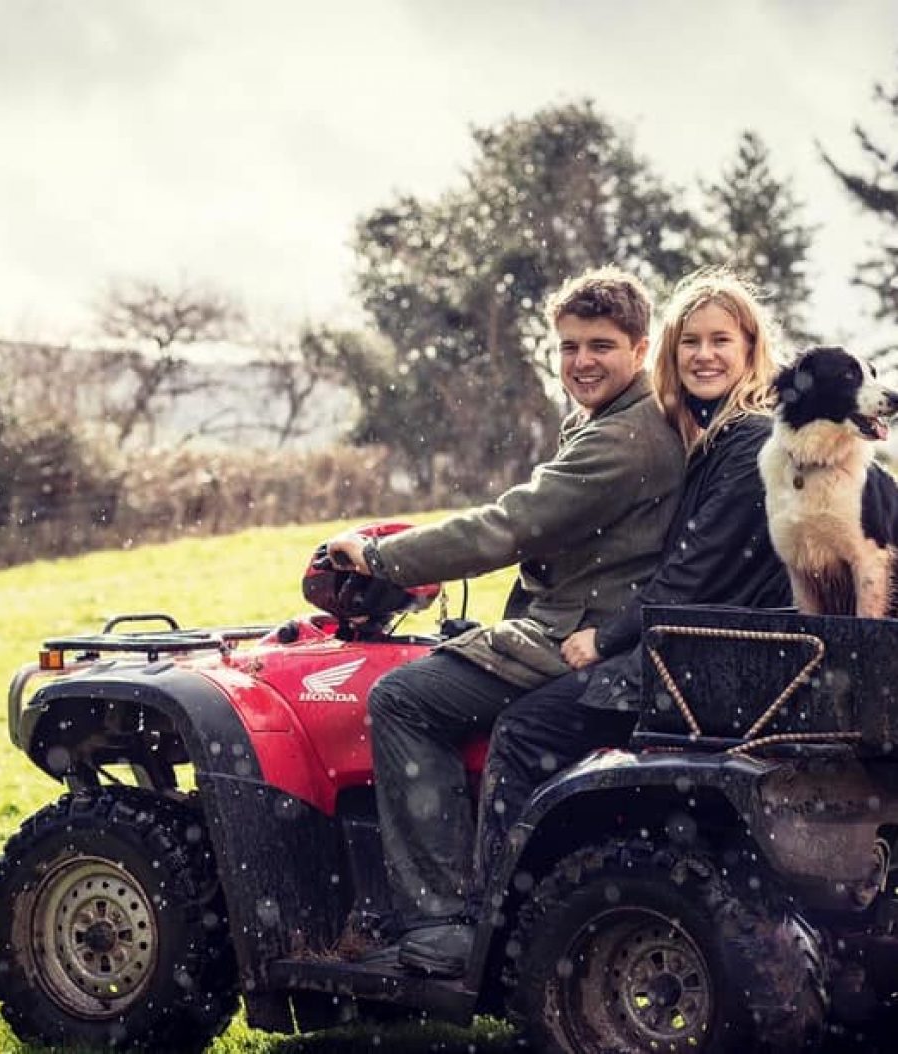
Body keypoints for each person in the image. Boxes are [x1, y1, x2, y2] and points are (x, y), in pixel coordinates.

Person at [326, 266, 685, 977]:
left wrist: (379, 558)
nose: (581, 362)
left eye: (601, 346)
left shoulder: (626, 438)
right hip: (585, 621)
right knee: (439, 660)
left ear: (641, 350)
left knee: (403, 698)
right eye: (569, 346)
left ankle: (441, 924)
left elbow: (509, 526)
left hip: (577, 635)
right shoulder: (613, 418)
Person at [472, 268, 792, 956]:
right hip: (715, 649)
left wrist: (607, 636)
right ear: (669, 353)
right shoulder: (712, 433)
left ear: (749, 349)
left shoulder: (747, 442)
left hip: (712, 660)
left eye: (721, 342)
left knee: (523, 730)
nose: (704, 356)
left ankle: (490, 928)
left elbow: (691, 574)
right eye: (691, 344)